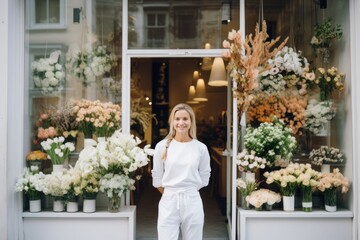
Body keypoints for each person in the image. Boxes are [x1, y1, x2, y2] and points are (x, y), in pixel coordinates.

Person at [151, 103, 211, 240]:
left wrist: (189, 190)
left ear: (191, 121)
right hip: (169, 200)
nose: (181, 123)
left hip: (192, 200)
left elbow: (205, 175)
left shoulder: (200, 148)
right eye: (177, 119)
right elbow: (157, 176)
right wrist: (171, 192)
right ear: (172, 121)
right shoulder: (162, 146)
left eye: (185, 119)